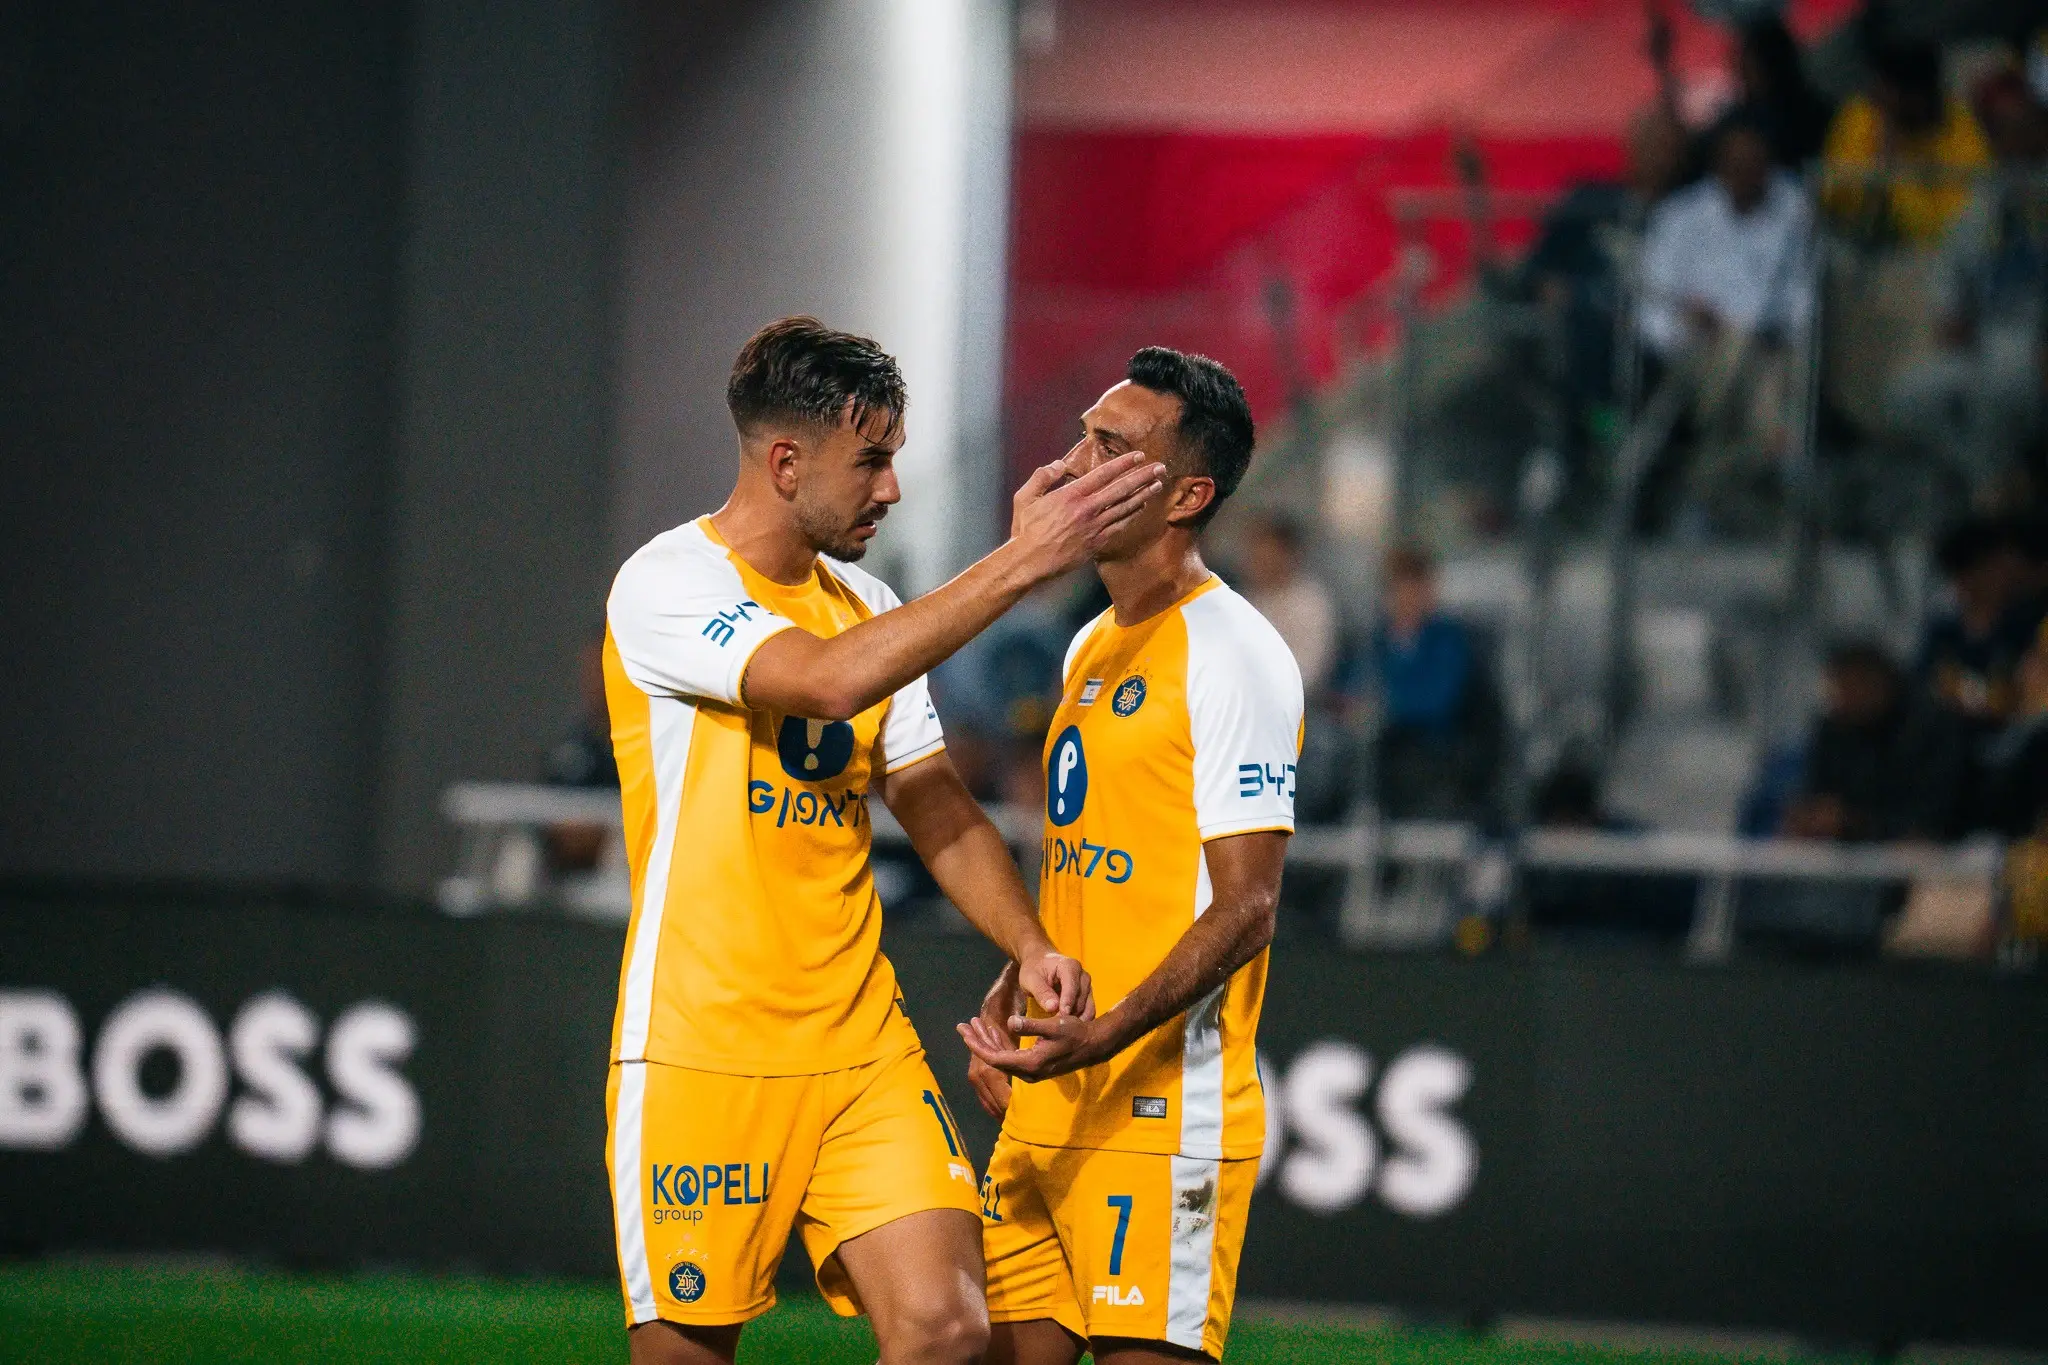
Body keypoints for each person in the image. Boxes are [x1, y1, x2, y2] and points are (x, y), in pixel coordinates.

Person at [602, 317, 1167, 1365]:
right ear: (785, 463)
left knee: (949, 1329)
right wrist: (1020, 562)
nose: (893, 488)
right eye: (871, 461)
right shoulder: (666, 584)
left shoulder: (865, 604)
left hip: (859, 1042)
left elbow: (934, 802)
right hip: (703, 1049)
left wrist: (1029, 944)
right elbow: (825, 681)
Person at [955, 348, 1302, 1365]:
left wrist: (1103, 1034)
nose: (1072, 466)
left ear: (1188, 495)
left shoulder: (1235, 653)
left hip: (1157, 1116)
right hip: (1050, 1099)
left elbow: (1248, 907)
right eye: (1083, 436)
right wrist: (1018, 984)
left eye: (1111, 449)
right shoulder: (1089, 645)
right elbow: (1083, 861)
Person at [1886, 69, 2048, 492]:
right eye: (1998, 128)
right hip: (1987, 345)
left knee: (2003, 384)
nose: (2009, 138)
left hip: (2033, 345)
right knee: (1908, 397)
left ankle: (1996, 492)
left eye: (2020, 125)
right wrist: (1954, 319)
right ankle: (1996, 481)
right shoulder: (1982, 205)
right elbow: (1952, 294)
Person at [1821, 39, 1991, 247]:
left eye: (1889, 90)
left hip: (1937, 253)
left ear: (1918, 96)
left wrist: (1895, 173)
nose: (1879, 97)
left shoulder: (1959, 125)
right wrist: (1881, 161)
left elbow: (1949, 226)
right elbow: (1836, 200)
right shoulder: (1860, 116)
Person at [1238, 512, 1337, 698]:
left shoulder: (1309, 604)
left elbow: (1310, 670)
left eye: (1267, 555)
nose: (1258, 562)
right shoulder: (1246, 600)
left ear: (1287, 555)